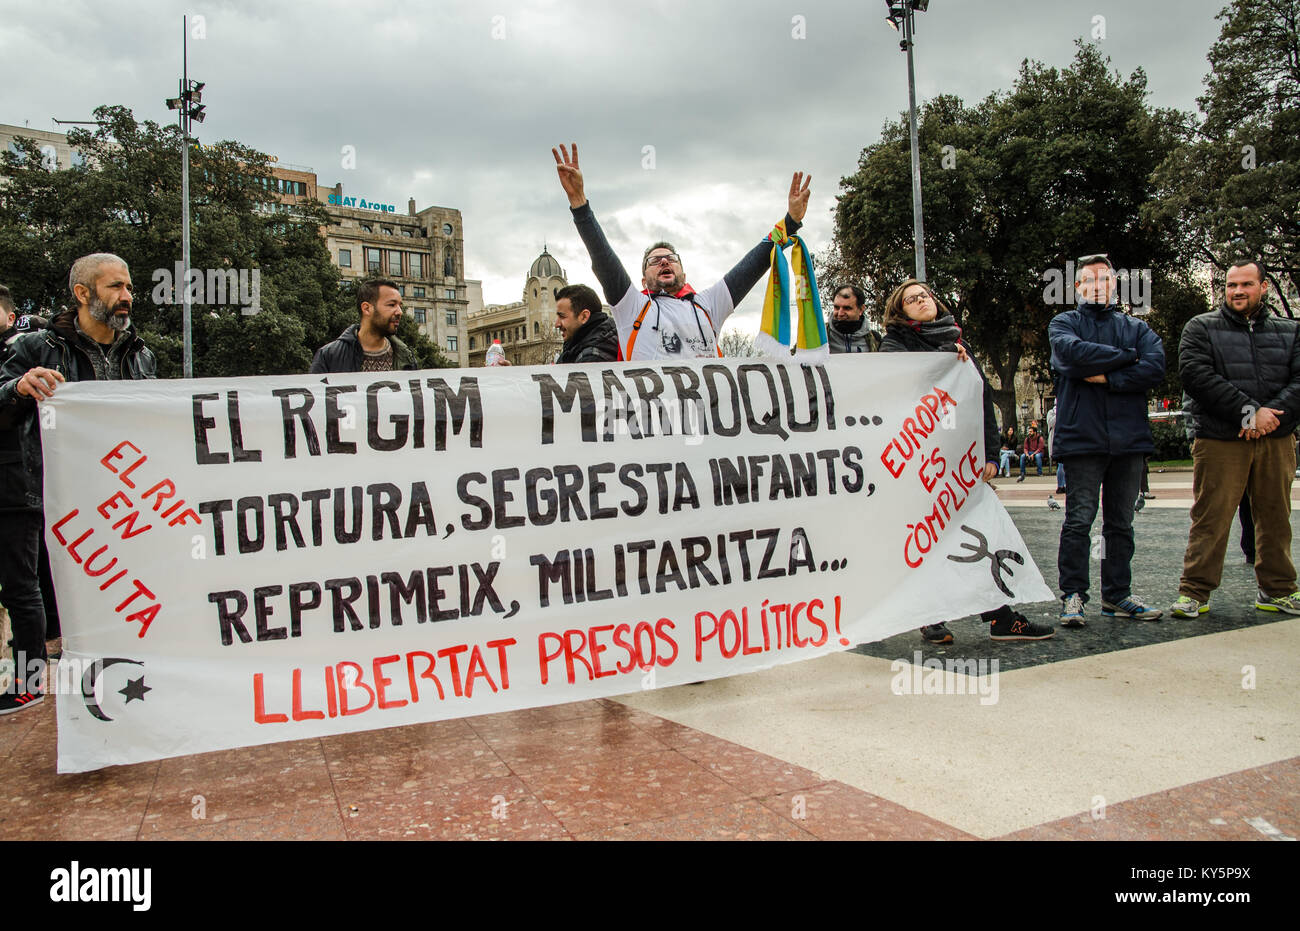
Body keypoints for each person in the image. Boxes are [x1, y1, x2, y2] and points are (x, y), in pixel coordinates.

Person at [0, 254, 157, 713]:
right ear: (83, 293)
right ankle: (29, 682)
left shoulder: (141, 354)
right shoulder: (34, 348)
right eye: (114, 287)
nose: (126, 296)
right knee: (25, 588)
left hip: (114, 497)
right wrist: (18, 388)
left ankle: (129, 677)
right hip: (36, 486)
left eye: (129, 286)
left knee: (119, 586)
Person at [881, 279, 1054, 643]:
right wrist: (944, 363)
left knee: (978, 536)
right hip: (921, 465)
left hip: (961, 462)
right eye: (911, 299)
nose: (920, 301)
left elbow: (981, 402)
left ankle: (999, 615)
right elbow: (893, 392)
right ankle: (932, 615)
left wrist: (991, 454)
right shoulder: (895, 345)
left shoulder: (959, 343)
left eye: (924, 295)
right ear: (901, 311)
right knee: (926, 539)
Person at [553, 143, 810, 360]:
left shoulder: (708, 305)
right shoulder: (632, 306)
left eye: (671, 259)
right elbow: (602, 258)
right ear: (643, 280)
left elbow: (752, 265)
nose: (664, 260)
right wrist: (579, 204)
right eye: (654, 261)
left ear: (684, 275)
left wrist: (789, 223)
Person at [1169, 259, 1300, 618]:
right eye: (1231, 285)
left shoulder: (1291, 330)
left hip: (1276, 436)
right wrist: (1248, 413)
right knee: (1211, 516)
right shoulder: (1201, 327)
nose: (1237, 291)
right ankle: (1194, 592)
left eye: (1246, 284)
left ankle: (1278, 590)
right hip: (1221, 438)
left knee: (1275, 516)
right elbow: (1196, 376)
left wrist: (1268, 417)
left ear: (1264, 288)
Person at [1049, 253, 1166, 626]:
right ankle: (1073, 595)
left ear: (1115, 286)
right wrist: (1128, 359)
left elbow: (1156, 367)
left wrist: (1110, 377)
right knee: (1079, 520)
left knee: (1120, 523)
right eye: (1090, 280)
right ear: (1078, 287)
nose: (1098, 286)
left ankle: (1117, 595)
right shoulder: (1063, 322)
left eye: (1105, 280)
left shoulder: (1136, 327)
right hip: (1082, 438)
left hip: (1128, 440)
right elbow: (1071, 356)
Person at [309, 278, 417, 373]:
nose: (399, 312)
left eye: (400, 306)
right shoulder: (329, 356)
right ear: (366, 308)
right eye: (392, 305)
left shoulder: (406, 357)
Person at [554, 284, 619, 364]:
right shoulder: (576, 346)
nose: (556, 324)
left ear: (584, 316)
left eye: (562, 316)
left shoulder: (592, 358)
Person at [826, 285, 880, 353]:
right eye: (836, 308)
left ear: (861, 309)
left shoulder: (875, 340)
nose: (840, 313)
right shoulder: (820, 337)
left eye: (847, 308)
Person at [1046, 399, 1065, 493]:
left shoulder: (1066, 409)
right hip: (1056, 440)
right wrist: (1059, 413)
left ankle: (1064, 484)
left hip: (1065, 439)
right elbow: (1051, 423)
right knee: (1060, 464)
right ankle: (1060, 485)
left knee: (1064, 464)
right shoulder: (1051, 412)